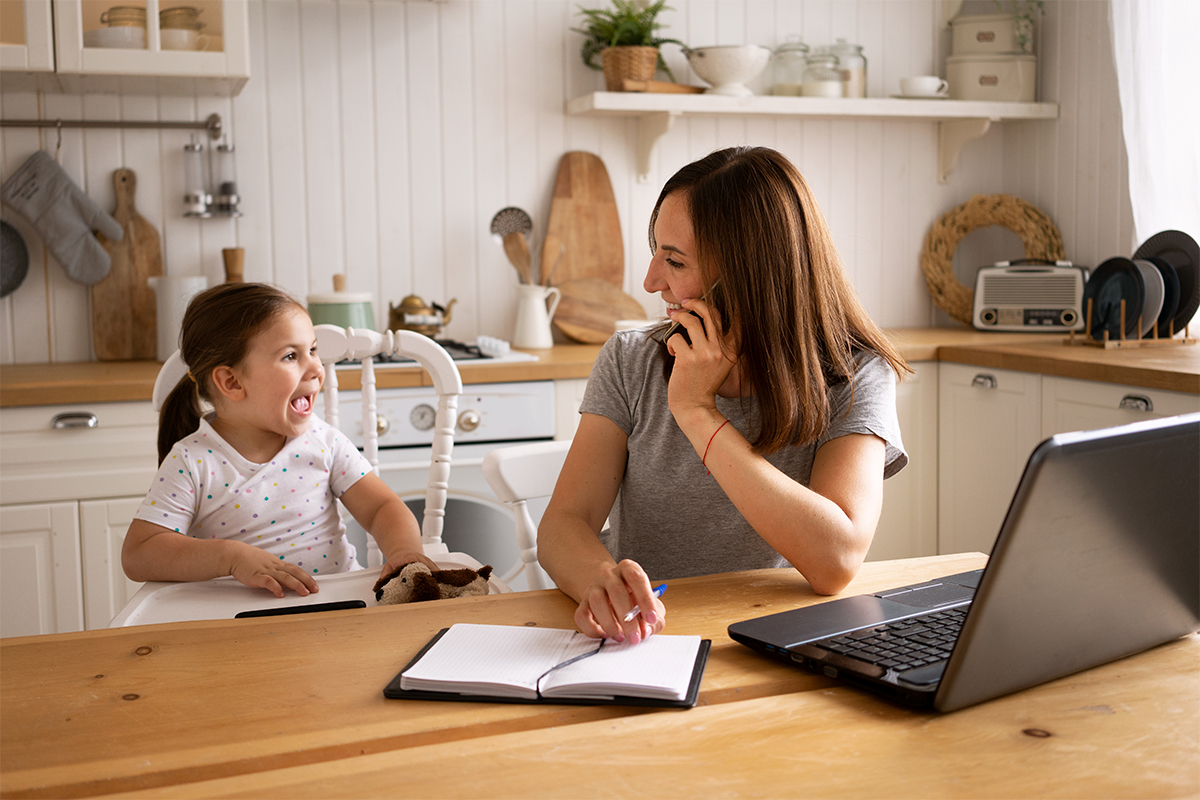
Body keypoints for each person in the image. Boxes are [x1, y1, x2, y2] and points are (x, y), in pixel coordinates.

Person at [538, 146, 910, 644]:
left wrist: (697, 412)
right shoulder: (632, 360)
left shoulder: (855, 373)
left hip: (782, 638)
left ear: (748, 276)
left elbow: (836, 561)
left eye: (674, 261)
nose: (651, 281)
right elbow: (564, 524)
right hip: (650, 642)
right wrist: (598, 581)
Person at [122, 282, 434, 598]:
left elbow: (382, 507)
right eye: (290, 356)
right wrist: (230, 557)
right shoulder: (192, 461)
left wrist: (403, 549)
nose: (316, 367)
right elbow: (139, 553)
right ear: (231, 381)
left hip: (337, 606)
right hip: (239, 623)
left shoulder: (322, 441)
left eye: (312, 350)